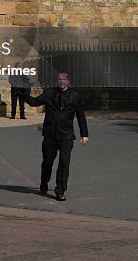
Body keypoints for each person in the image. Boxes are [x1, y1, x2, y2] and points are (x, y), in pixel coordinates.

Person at [22, 72, 89, 201]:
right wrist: (25, 94)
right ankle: (44, 182)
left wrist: (84, 134)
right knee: (47, 162)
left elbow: (81, 116)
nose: (61, 81)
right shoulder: (49, 93)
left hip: (66, 136)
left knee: (64, 163)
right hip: (50, 135)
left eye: (64, 79)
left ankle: (60, 191)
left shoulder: (75, 97)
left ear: (69, 81)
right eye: (59, 79)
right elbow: (34, 102)